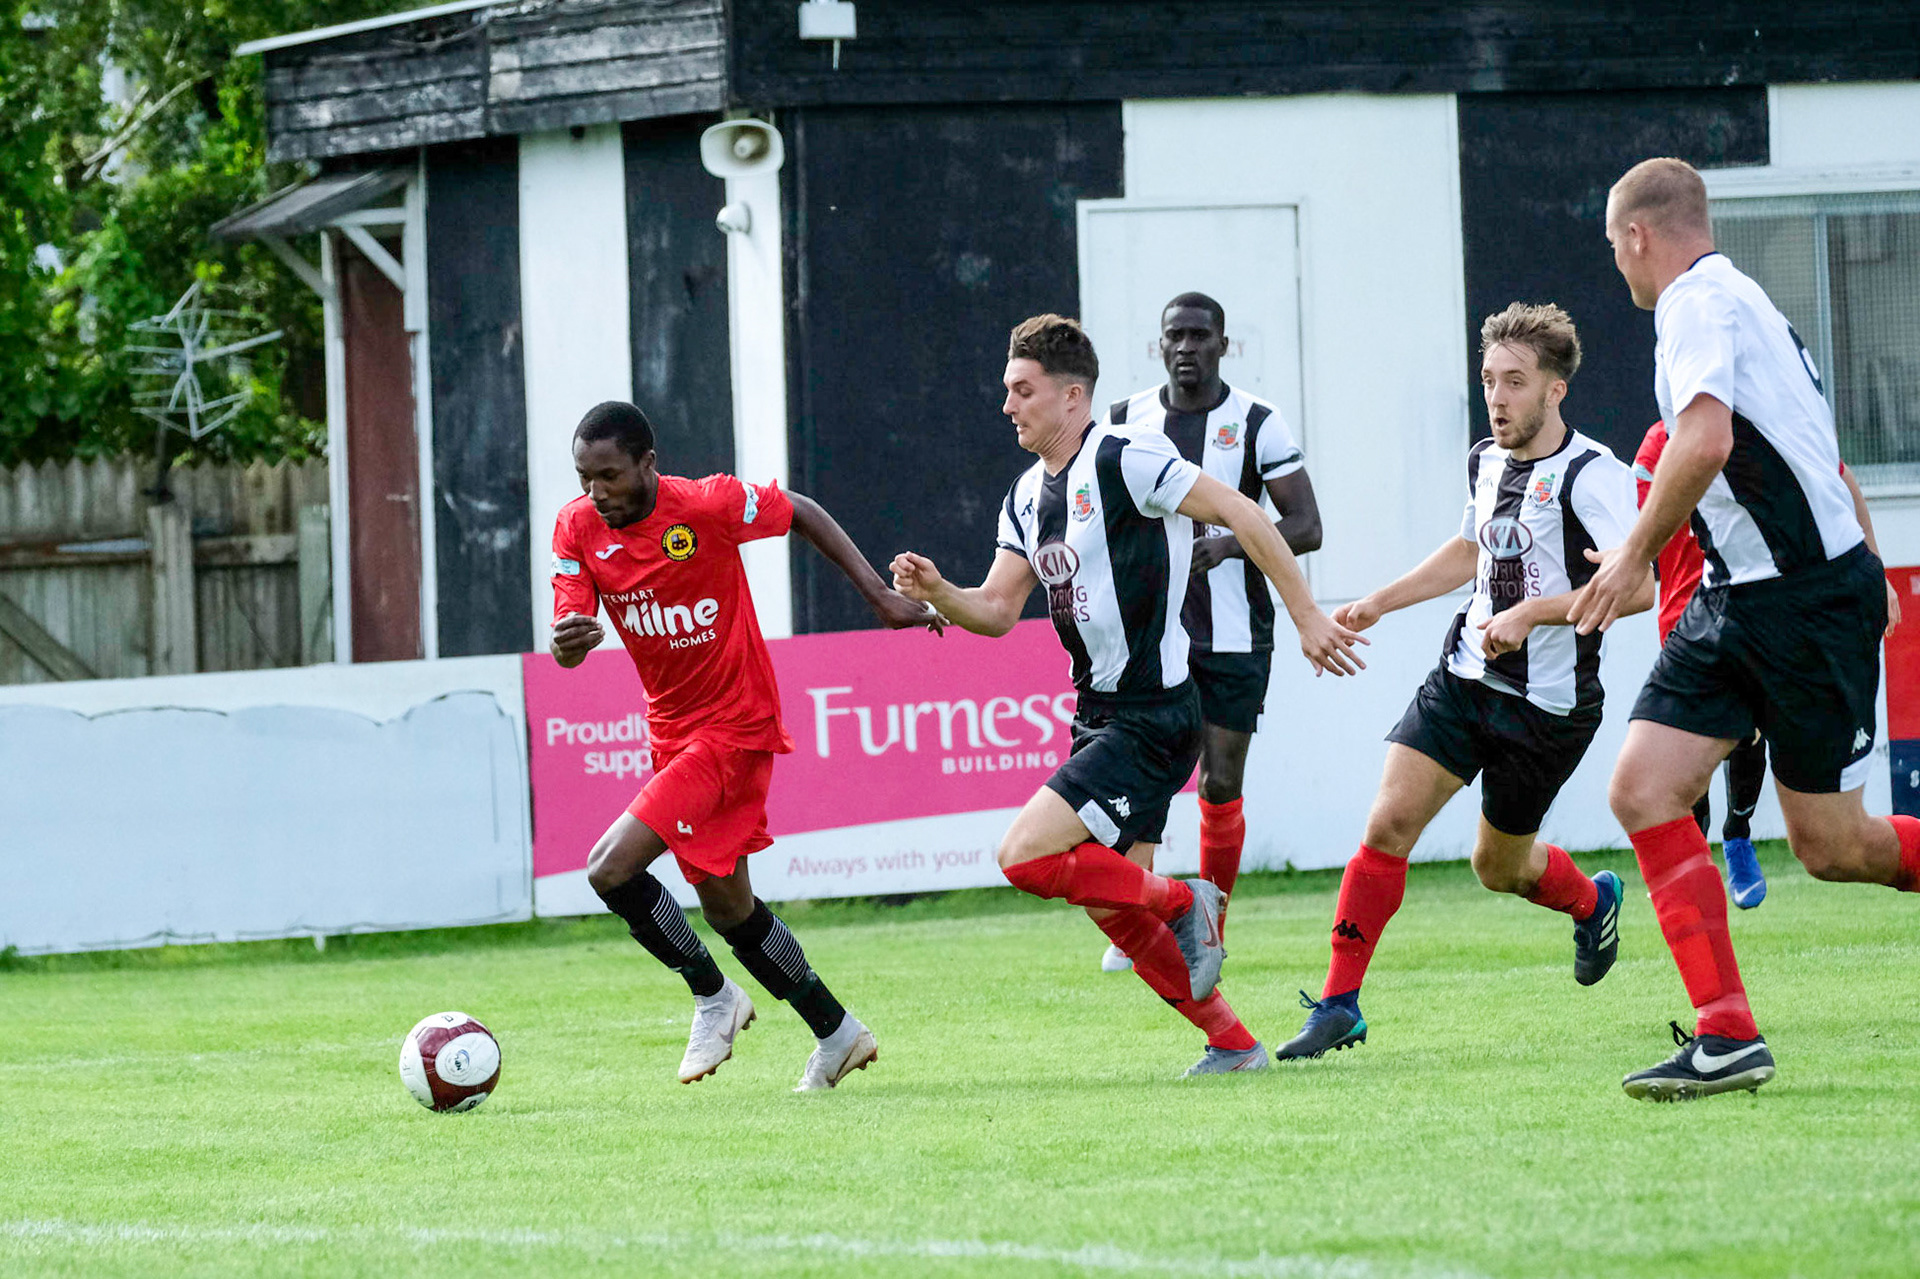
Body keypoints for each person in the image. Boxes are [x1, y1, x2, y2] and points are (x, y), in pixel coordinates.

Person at [889, 314, 1366, 1077]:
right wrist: (940, 590)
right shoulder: (1025, 493)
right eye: (1007, 391)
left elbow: (1244, 511)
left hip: (1154, 716)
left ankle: (1187, 901)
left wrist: (1306, 613)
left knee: (1023, 855)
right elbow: (998, 611)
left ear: (1073, 395)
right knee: (1117, 907)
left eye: (1023, 390)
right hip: (1098, 715)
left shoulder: (1128, 455)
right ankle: (1234, 1042)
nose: (1008, 406)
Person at [1576, 157, 1920, 1101]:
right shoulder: (1744, 302)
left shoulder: (1695, 302)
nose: (1620, 269)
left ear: (1640, 236)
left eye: (1616, 249)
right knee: (1645, 787)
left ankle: (1728, 1031)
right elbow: (1824, 453)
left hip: (1805, 597)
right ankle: (1727, 1032)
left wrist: (1635, 553)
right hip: (1746, 598)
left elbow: (1707, 440)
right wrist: (1876, 558)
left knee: (1835, 847)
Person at [1277, 302, 1650, 1063]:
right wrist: (1381, 599)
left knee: (1497, 867)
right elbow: (1468, 548)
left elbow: (1637, 587)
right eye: (1488, 381)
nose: (1498, 397)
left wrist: (1536, 614)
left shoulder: (1592, 475)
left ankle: (1592, 899)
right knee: (1387, 824)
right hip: (1463, 678)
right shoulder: (1485, 458)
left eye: (1515, 382)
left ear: (1555, 390)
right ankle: (1340, 1003)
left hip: (1547, 707)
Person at [550, 401, 940, 1091]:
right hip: (670, 734)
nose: (596, 492)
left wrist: (879, 595)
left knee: (609, 868)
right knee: (730, 908)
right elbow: (571, 625)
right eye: (585, 477)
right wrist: (568, 640)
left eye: (609, 475)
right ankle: (837, 1030)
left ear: (648, 462)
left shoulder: (707, 505)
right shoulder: (578, 527)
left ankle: (712, 993)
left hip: (734, 727)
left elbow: (800, 508)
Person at [1094, 292, 1322, 974]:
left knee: (1220, 781)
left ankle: (1212, 914)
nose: (1187, 346)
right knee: (1149, 773)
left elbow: (1308, 526)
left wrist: (1225, 546)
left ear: (1225, 344)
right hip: (1154, 633)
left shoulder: (1257, 421)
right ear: (1159, 346)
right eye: (1175, 336)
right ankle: (1135, 920)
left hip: (1234, 633)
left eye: (1200, 335)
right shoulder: (1124, 419)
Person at [1635, 424, 1901, 910]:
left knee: (1752, 737)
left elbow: (1842, 481)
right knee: (1668, 766)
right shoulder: (1661, 443)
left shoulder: (1766, 422)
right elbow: (1647, 526)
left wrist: (1876, 570)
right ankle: (1697, 853)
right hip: (1687, 612)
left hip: (1760, 612)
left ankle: (1737, 835)